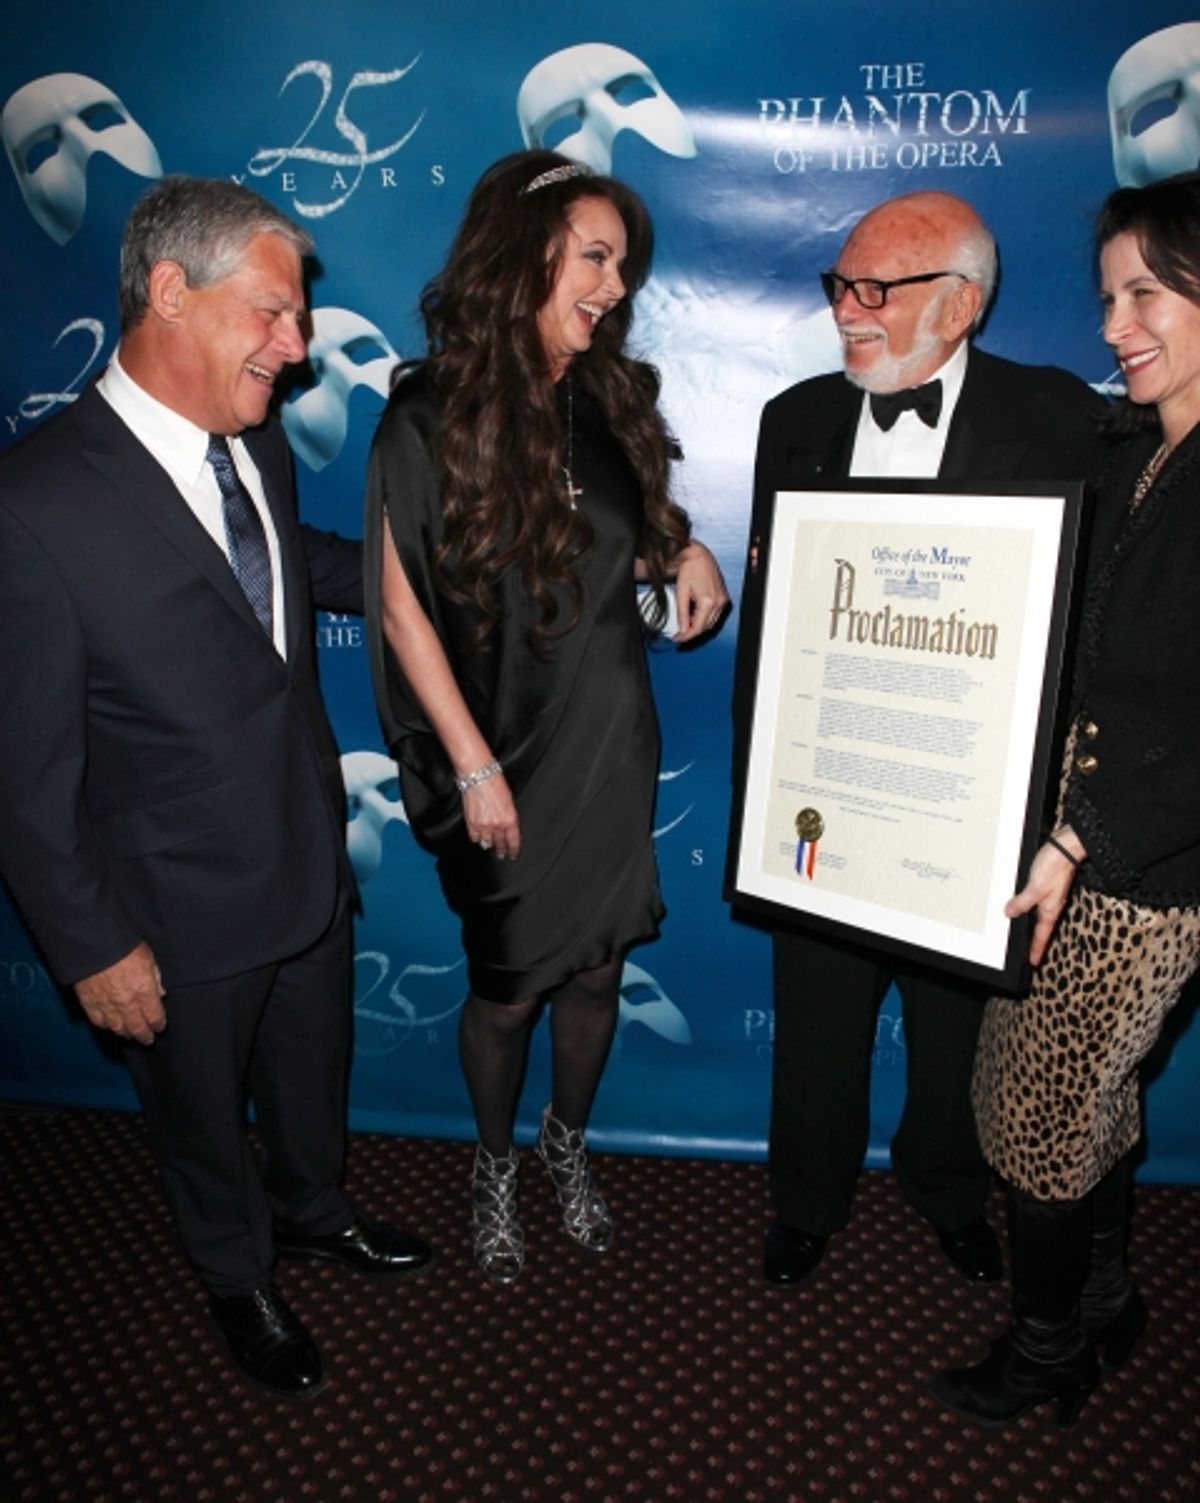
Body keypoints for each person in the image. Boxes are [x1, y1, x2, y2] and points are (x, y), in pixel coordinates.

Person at [0, 177, 432, 1402]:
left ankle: (311, 1211)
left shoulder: (248, 441)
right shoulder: (29, 508)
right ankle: (237, 1275)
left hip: (306, 862)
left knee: (311, 1078)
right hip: (169, 915)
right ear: (169, 293)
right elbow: (23, 775)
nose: (299, 351)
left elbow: (287, 578)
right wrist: (90, 946)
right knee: (200, 1121)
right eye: (276, 316)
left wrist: (467, 560)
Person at [365, 150, 727, 1285]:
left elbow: (639, 527)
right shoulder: (426, 413)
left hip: (610, 739)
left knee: (597, 975)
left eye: (622, 266)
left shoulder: (608, 398)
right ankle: (492, 1163)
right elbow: (399, 606)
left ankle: (565, 1146)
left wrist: (688, 547)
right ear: (526, 252)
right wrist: (473, 768)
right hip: (503, 748)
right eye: (597, 257)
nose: (616, 287)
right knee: (511, 988)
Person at [735, 190, 1105, 1291]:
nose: (849, 310)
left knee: (955, 1039)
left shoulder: (1060, 416)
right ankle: (805, 1200)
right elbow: (776, 621)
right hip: (824, 794)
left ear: (961, 303)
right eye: (840, 285)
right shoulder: (791, 419)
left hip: (965, 802)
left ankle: (949, 1192)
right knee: (814, 1027)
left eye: (877, 290)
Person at [931, 171, 1200, 1426]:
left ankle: (1046, 1356)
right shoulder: (1143, 451)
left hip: (1136, 878)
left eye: (1146, 292)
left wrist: (1082, 833)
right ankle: (1102, 1299)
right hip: (1071, 856)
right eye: (1107, 297)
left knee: (1042, 1124)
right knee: (1079, 1100)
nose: (1114, 325)